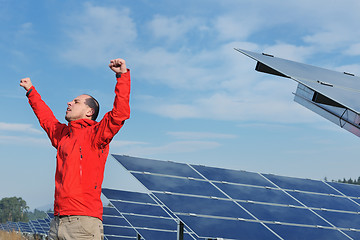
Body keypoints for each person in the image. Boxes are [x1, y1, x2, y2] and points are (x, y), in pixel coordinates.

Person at [20, 58, 131, 239]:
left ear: (89, 112)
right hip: (57, 221)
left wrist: (122, 76)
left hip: (83, 223)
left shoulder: (97, 134)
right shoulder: (63, 135)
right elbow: (46, 118)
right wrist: (31, 91)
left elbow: (120, 114)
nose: (69, 103)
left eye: (76, 102)